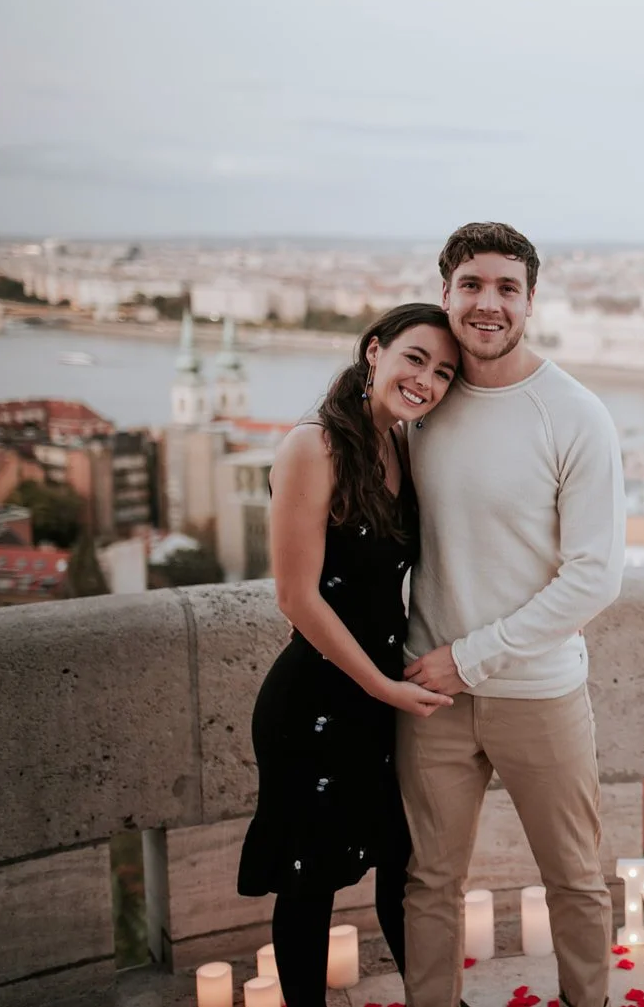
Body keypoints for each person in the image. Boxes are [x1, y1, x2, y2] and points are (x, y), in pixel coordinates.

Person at [399, 222, 626, 1007]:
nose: (487, 303)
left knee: (574, 877)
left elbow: (594, 577)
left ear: (531, 301)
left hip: (537, 692)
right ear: (445, 294)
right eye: (471, 284)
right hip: (429, 692)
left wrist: (470, 656)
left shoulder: (575, 414)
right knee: (428, 880)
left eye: (506, 288)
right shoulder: (420, 400)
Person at [238, 304, 461, 1007]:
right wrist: (385, 689)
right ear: (375, 352)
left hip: (373, 697)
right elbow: (296, 598)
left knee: (401, 865)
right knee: (310, 881)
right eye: (416, 358)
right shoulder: (314, 445)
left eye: (445, 372)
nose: (427, 379)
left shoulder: (401, 445)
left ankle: (433, 999)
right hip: (316, 703)